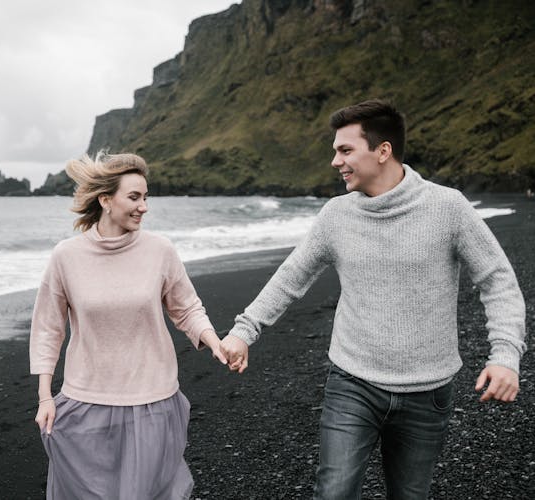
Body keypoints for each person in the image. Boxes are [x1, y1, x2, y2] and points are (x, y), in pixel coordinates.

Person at [220, 99, 527, 499]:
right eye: (335, 151)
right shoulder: (336, 216)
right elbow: (290, 277)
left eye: (345, 150)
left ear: (383, 151)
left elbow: (498, 280)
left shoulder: (447, 207)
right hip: (353, 383)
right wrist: (245, 330)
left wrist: (505, 356)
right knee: (334, 492)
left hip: (428, 391)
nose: (335, 161)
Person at [30, 151, 227, 499]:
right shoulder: (66, 256)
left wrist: (214, 342)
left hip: (153, 399)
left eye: (146, 197)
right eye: (134, 197)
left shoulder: (160, 250)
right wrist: (46, 396)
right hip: (86, 399)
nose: (144, 206)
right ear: (106, 200)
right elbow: (48, 328)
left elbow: (187, 308)